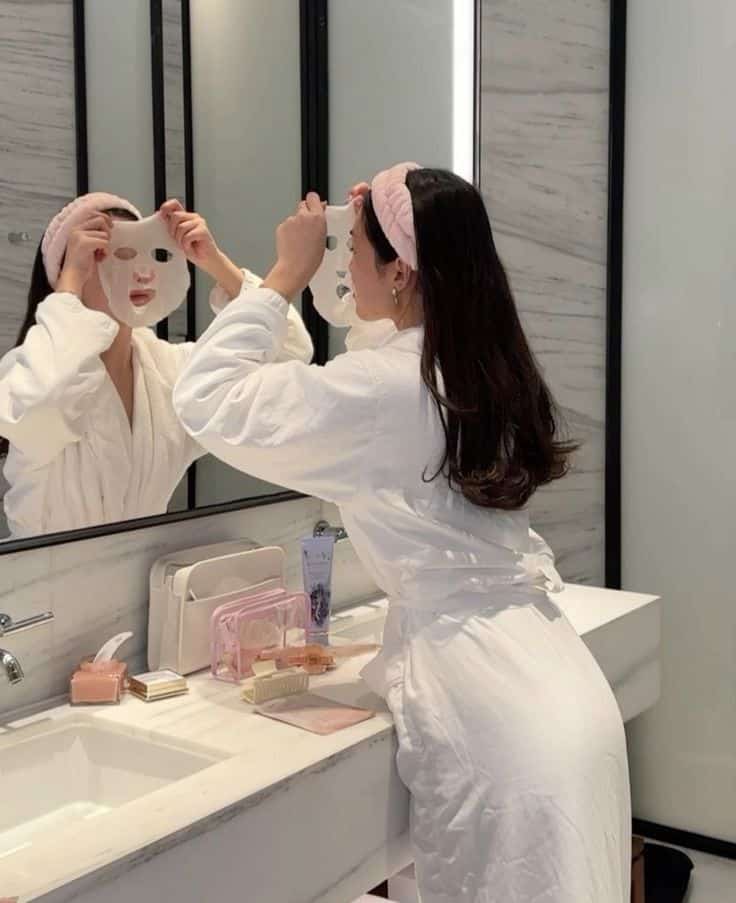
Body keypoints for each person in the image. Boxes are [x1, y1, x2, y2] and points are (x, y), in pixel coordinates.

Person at [173, 163, 631, 902]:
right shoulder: (474, 369)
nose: (342, 263)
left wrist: (285, 273)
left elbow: (208, 398)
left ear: (401, 270)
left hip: (489, 708)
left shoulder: (386, 389)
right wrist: (361, 232)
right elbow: (367, 331)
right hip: (558, 684)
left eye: (352, 249)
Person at [0, 192, 313, 538]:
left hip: (143, 570)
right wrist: (69, 282)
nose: (141, 273)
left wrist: (215, 262)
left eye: (151, 253)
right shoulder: (27, 374)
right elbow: (43, 407)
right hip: (42, 572)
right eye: (113, 255)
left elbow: (287, 353)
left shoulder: (172, 373)